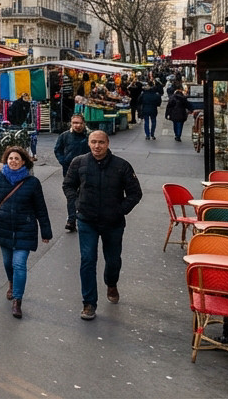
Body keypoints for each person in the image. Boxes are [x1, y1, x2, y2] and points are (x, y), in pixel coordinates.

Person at [63, 130, 142, 321]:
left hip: (113, 222)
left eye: (101, 142)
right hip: (87, 220)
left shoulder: (121, 166)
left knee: (113, 259)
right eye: (93, 142)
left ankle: (111, 282)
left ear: (107, 144)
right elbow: (68, 185)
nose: (97, 146)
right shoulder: (79, 162)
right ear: (88, 143)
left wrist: (120, 210)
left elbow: (135, 193)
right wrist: (76, 205)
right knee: (88, 260)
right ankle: (89, 303)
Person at [0, 146, 54, 319]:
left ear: (24, 161)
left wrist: (46, 232)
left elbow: (41, 208)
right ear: (6, 160)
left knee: (19, 264)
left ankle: (17, 300)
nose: (13, 161)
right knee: (8, 263)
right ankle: (11, 283)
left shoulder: (32, 183)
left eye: (17, 159)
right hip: (3, 227)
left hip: (25, 229)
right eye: (10, 158)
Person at [53, 113, 91, 233]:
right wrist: (63, 161)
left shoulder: (89, 135)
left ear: (84, 123)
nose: (77, 125)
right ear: (71, 123)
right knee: (71, 196)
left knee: (85, 195)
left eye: (79, 123)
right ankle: (71, 220)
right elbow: (57, 149)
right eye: (75, 123)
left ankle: (84, 219)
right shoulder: (65, 136)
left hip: (87, 171)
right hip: (69, 171)